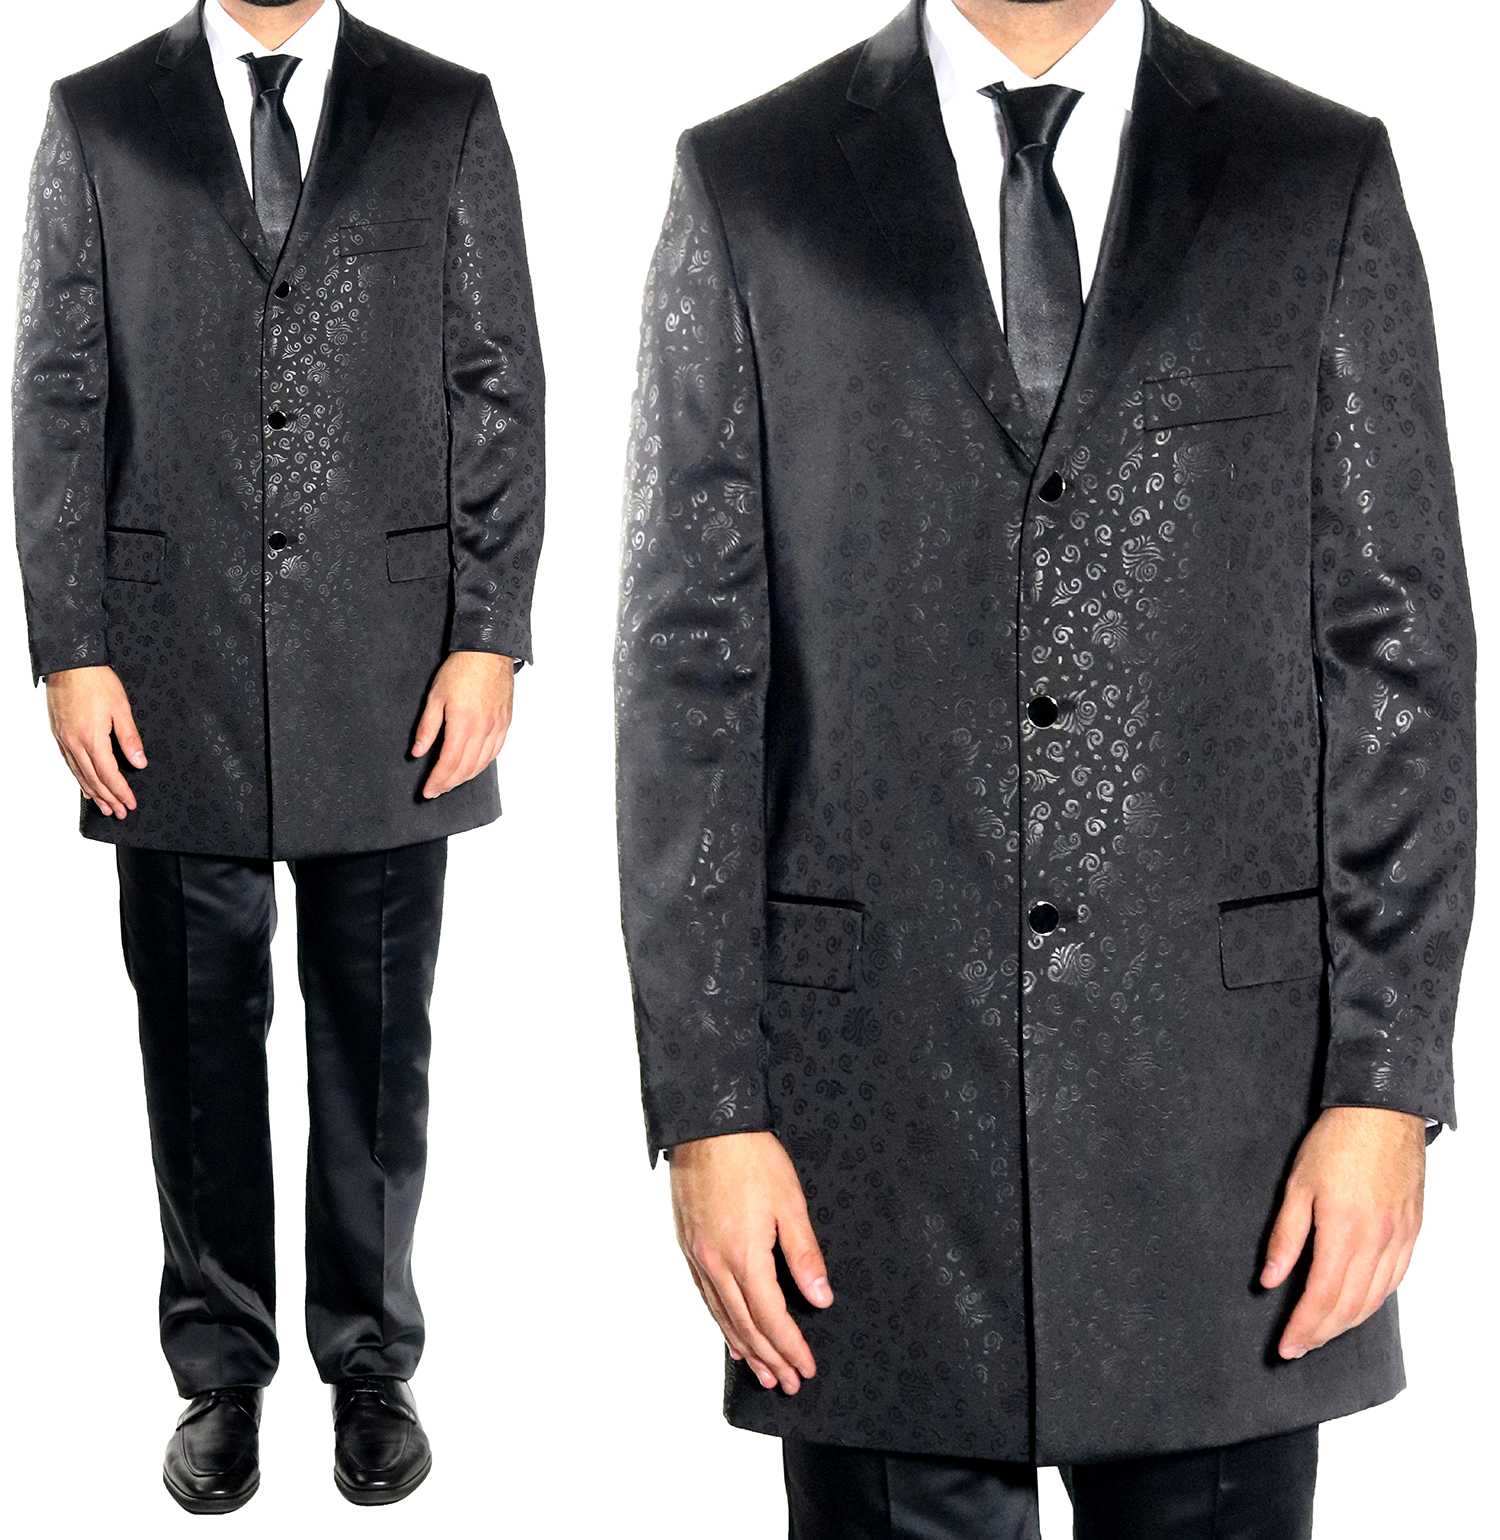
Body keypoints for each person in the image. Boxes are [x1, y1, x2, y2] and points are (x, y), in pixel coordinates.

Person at [614, 0, 1473, 1534]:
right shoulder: (755, 183)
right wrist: (709, 1107)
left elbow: (1397, 654)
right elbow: (688, 675)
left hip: (1234, 1136)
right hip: (870, 1124)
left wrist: (1387, 1086)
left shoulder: (1312, 176)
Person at [14, 0, 542, 1513]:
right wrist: (70, 645)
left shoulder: (443, 110)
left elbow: (497, 380)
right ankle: (221, 1371)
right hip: (164, 663)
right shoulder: (99, 117)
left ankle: (371, 1362)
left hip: (395, 668)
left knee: (377, 1039)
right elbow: (57, 390)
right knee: (193, 1033)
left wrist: (489, 634)